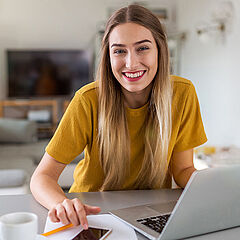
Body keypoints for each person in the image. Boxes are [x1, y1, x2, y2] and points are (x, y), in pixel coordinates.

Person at [30, 4, 207, 231]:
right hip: (91, 215)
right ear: (108, 56)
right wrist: (62, 203)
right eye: (119, 50)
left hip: (151, 213)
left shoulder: (183, 94)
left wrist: (210, 190)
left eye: (142, 48)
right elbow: (41, 177)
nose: (131, 63)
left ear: (160, 50)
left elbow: (183, 170)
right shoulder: (87, 100)